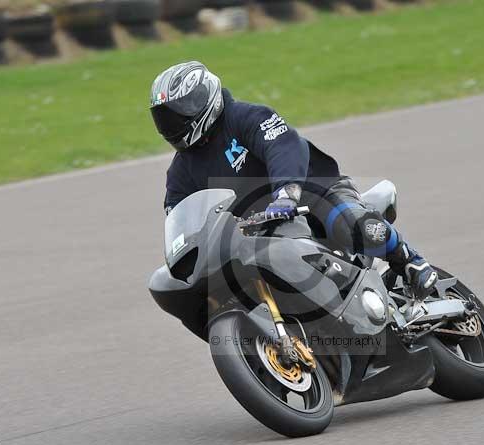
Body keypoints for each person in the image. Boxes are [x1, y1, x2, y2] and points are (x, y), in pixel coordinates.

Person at [150, 61, 437, 300]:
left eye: (180, 111)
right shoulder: (181, 171)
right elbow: (178, 216)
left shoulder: (244, 117)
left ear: (204, 98)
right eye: (165, 117)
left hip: (313, 195)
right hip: (256, 235)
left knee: (352, 226)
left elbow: (284, 145)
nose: (172, 123)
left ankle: (410, 260)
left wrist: (286, 194)